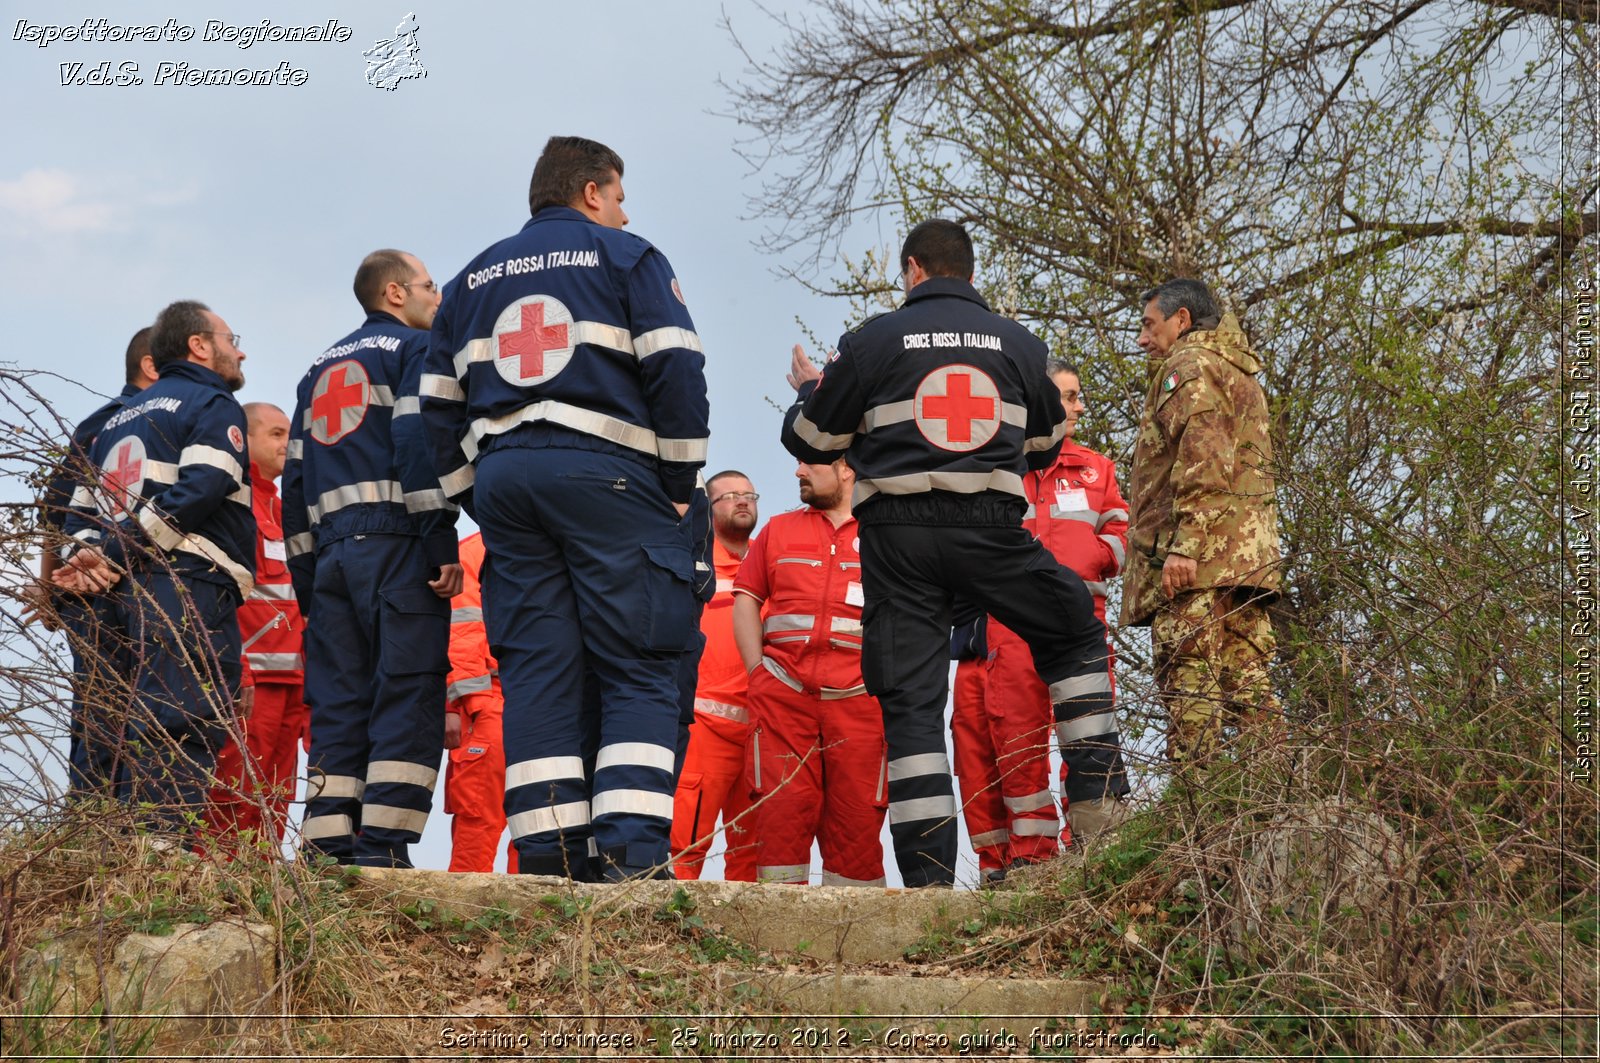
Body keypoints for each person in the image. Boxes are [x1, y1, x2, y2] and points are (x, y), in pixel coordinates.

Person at [780, 219, 1113, 888]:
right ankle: (1105, 818)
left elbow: (812, 438)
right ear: (969, 270)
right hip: (989, 528)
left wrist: (806, 390)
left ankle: (928, 888)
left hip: (897, 540)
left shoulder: (871, 341)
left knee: (909, 702)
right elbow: (1046, 443)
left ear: (913, 270)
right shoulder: (1020, 345)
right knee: (1074, 624)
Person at [419, 136, 709, 881]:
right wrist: (678, 480)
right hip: (610, 475)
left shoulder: (470, 280)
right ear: (590, 191)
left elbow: (433, 407)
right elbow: (676, 364)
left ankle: (550, 859)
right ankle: (631, 858)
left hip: (507, 486)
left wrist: (469, 494)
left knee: (541, 671)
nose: (624, 210)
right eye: (618, 194)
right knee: (639, 663)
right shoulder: (627, 257)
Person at [284, 249, 461, 868]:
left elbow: (295, 480)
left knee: (339, 699)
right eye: (429, 286)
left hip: (331, 557)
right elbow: (417, 443)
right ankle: (383, 846)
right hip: (398, 546)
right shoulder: (414, 353)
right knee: (407, 691)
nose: (437, 298)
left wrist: (309, 581)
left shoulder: (315, 370)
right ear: (394, 293)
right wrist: (440, 539)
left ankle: (327, 844)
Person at [56, 301, 255, 839]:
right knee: (178, 719)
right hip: (184, 584)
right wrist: (118, 554)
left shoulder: (116, 420)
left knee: (107, 726)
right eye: (231, 338)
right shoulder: (211, 402)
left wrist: (91, 561)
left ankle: (100, 858)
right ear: (198, 345)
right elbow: (204, 487)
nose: (240, 350)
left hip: (108, 596)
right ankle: (158, 863)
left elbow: (74, 513)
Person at [951, 360, 1131, 880]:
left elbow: (1121, 534)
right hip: (1011, 630)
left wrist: (1091, 561)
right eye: (1069, 397)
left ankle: (1096, 861)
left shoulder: (1099, 469)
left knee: (1091, 743)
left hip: (1082, 627)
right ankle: (1033, 867)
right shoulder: (998, 470)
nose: (1078, 407)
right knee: (1019, 753)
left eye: (1079, 395)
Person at [1122, 278, 1283, 762]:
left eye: (1150, 326)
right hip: (1241, 565)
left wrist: (1185, 547)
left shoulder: (1188, 366)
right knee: (1249, 689)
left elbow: (1204, 458)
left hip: (1197, 568)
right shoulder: (1236, 368)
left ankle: (1197, 818)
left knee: (1190, 688)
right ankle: (1279, 801)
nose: (1142, 339)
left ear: (1182, 320)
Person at [733, 458, 887, 886]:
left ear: (845, 468)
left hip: (859, 702)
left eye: (810, 463)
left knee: (858, 825)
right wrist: (756, 673)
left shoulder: (885, 531)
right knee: (780, 817)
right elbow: (746, 598)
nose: (798, 472)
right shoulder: (779, 530)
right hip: (783, 698)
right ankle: (778, 942)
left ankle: (855, 944)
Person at [30, 327, 158, 797]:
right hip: (97, 593)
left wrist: (47, 588)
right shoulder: (112, 422)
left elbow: (50, 513)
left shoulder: (103, 422)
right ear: (151, 365)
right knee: (105, 716)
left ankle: (117, 830)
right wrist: (48, 589)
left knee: (116, 714)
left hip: (125, 587)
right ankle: (94, 829)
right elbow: (55, 513)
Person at [206, 402, 309, 848]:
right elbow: (218, 600)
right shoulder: (229, 508)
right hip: (252, 685)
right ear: (243, 439)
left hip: (293, 687)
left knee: (277, 802)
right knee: (234, 796)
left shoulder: (289, 513)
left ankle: (264, 901)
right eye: (276, 433)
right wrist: (239, 669)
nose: (288, 443)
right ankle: (219, 901)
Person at [671, 471, 760, 880]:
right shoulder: (693, 561)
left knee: (757, 852)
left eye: (748, 495)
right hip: (705, 727)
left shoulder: (772, 562)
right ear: (708, 508)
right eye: (729, 497)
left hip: (763, 730)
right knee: (684, 843)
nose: (741, 502)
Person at [443, 530, 515, 872]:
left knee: (545, 821)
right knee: (479, 813)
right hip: (491, 700)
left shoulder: (555, 541)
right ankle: (468, 915)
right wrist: (475, 704)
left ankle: (536, 918)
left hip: (545, 699)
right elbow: (461, 633)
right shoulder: (473, 553)